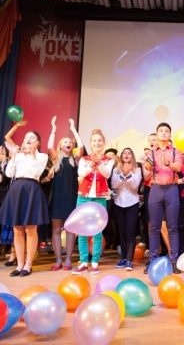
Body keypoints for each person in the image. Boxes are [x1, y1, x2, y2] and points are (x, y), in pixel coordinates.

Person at [0, 129, 49, 277]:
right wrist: (13, 156)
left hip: (32, 189)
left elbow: (36, 172)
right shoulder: (18, 156)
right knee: (17, 229)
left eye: (32, 137)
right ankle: (19, 264)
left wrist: (33, 154)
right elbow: (9, 173)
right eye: (26, 137)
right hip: (17, 189)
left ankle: (28, 264)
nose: (28, 139)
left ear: (38, 142)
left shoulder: (42, 156)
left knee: (31, 229)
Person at [73, 129, 115, 275]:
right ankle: (84, 262)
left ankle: (95, 262)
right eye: (94, 141)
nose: (97, 143)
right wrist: (92, 164)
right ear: (91, 144)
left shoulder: (109, 160)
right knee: (82, 231)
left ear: (103, 143)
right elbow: (81, 174)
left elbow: (106, 174)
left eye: (99, 141)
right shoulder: (84, 159)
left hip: (99, 197)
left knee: (97, 231)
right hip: (83, 196)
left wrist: (99, 163)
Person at [143, 122, 182, 274]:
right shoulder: (151, 152)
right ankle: (152, 262)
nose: (164, 133)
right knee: (154, 227)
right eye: (161, 131)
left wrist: (168, 163)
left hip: (171, 189)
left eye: (166, 131)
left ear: (170, 135)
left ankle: (174, 261)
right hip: (156, 189)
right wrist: (149, 160)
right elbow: (148, 168)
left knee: (172, 227)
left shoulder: (176, 151)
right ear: (157, 134)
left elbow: (178, 167)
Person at [47, 117, 83, 271]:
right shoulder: (56, 159)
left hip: (71, 198)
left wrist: (73, 128)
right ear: (61, 145)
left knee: (70, 230)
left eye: (70, 142)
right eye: (65, 142)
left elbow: (81, 146)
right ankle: (58, 261)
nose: (68, 143)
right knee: (56, 230)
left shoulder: (75, 159)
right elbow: (49, 146)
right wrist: (54, 128)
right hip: (57, 198)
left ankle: (68, 260)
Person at [111, 148, 142, 271]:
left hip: (132, 204)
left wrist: (128, 174)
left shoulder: (137, 170)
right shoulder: (116, 170)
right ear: (121, 156)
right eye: (124, 153)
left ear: (132, 156)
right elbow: (114, 184)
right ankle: (124, 258)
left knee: (130, 233)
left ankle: (129, 260)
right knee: (122, 233)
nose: (127, 155)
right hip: (118, 204)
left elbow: (135, 185)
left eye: (129, 153)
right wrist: (122, 174)